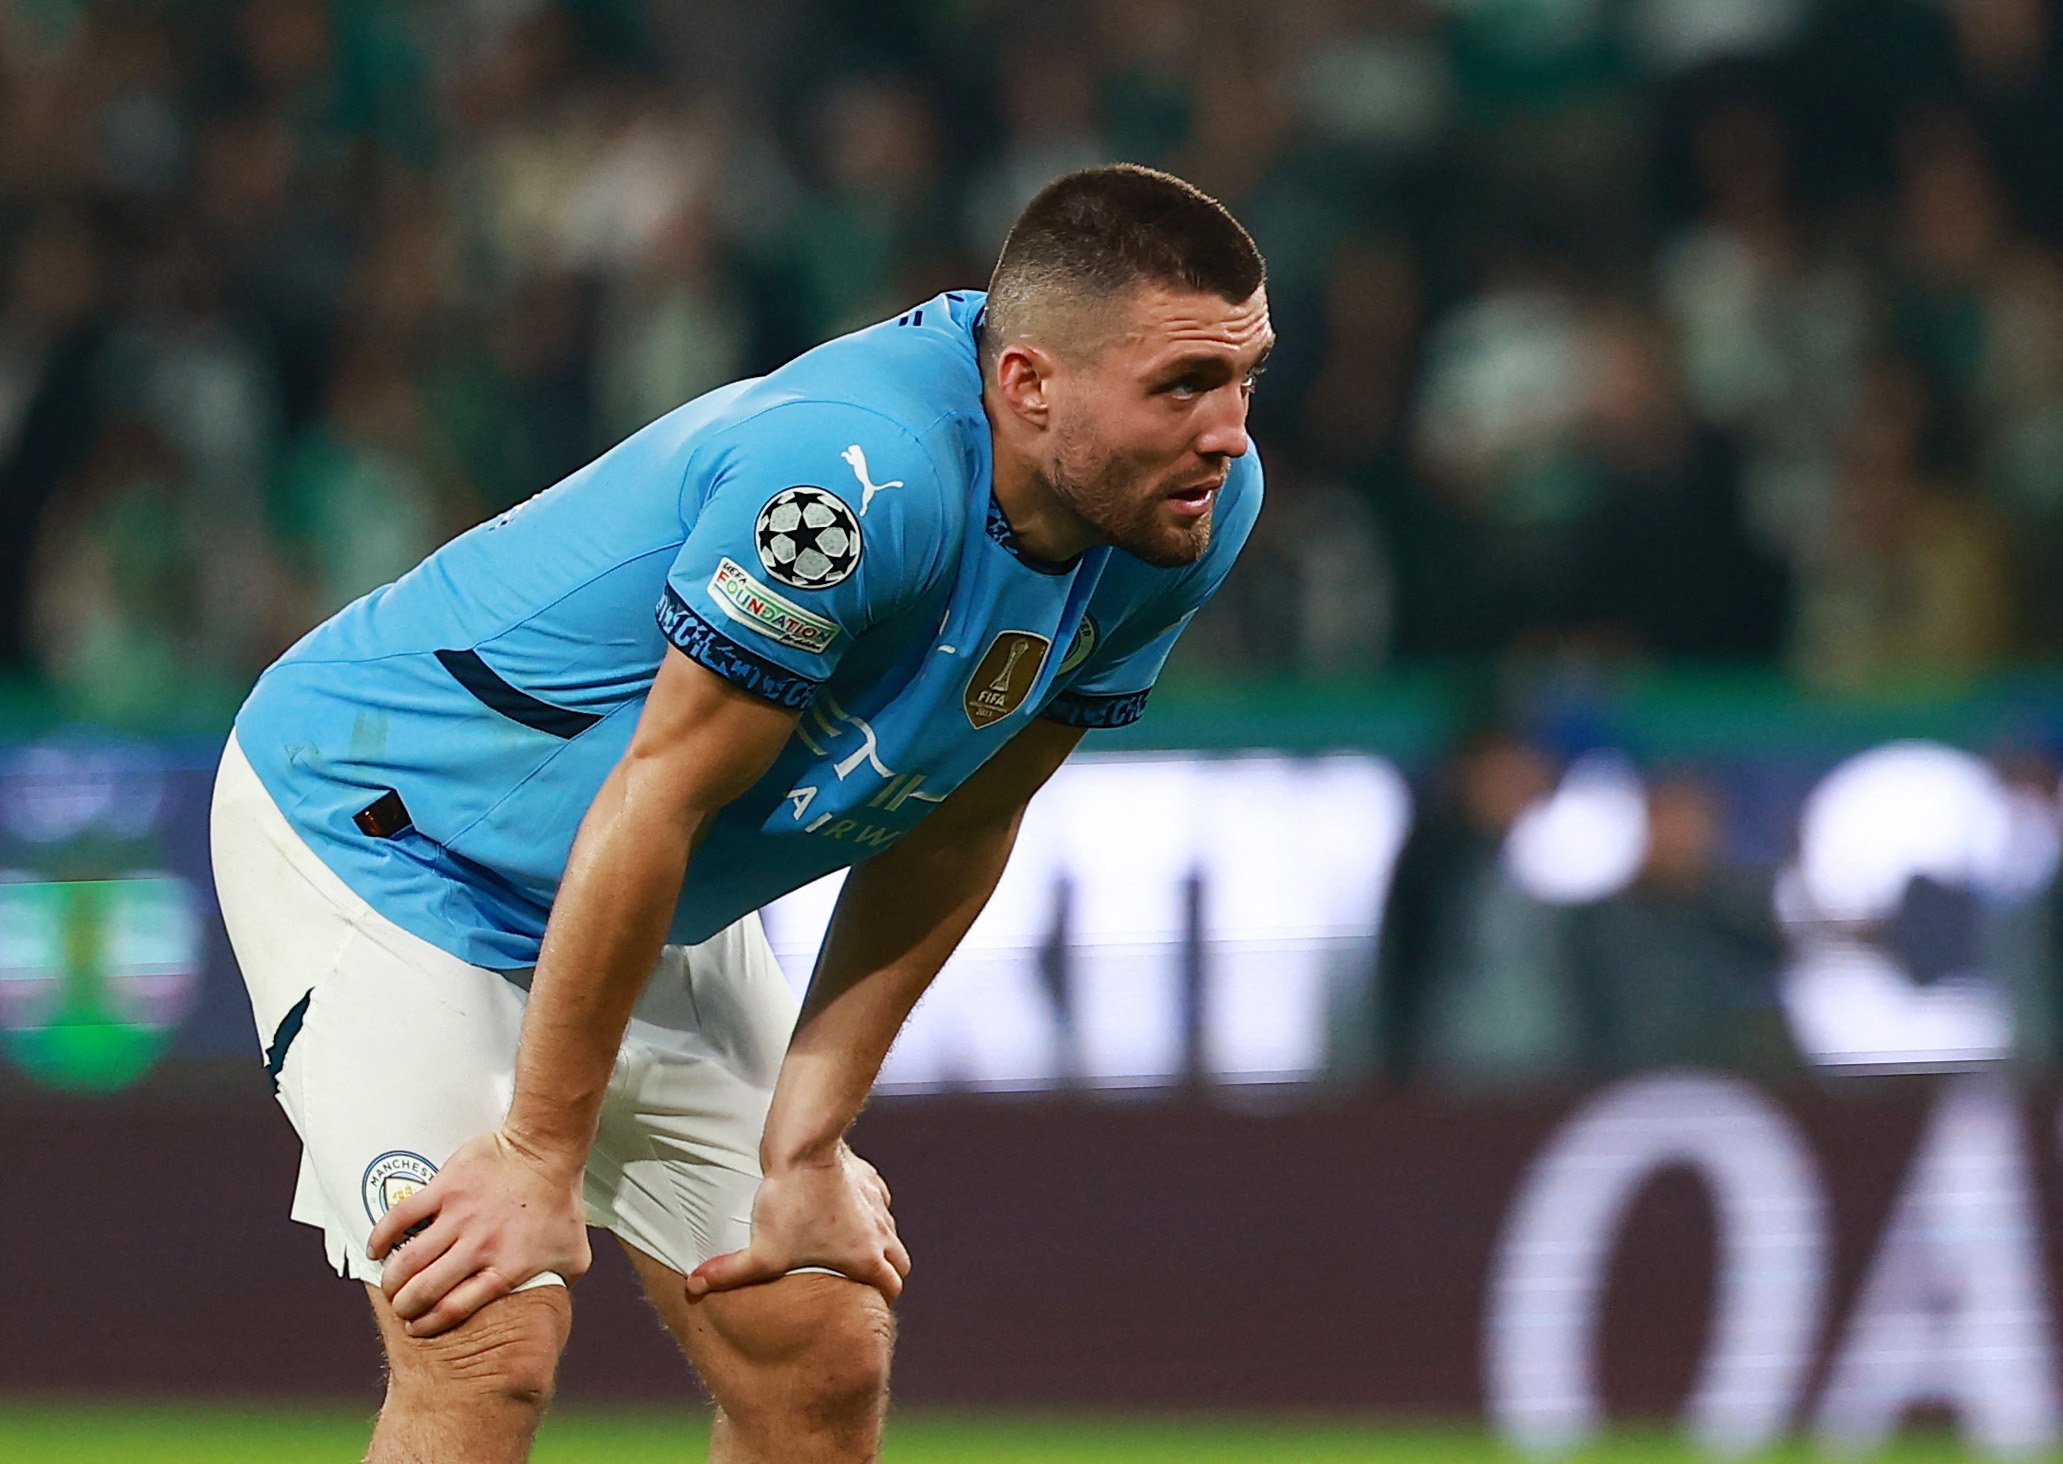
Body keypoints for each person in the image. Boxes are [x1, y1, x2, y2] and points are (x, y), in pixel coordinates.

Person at [210, 163, 1270, 1463]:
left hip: (641, 878)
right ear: (1028, 383)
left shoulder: (1187, 512)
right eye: (1183, 387)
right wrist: (539, 1156)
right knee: (487, 1340)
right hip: (395, 832)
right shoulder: (842, 483)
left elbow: (956, 822)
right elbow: (655, 791)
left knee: (816, 1350)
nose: (1227, 430)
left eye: (1244, 378)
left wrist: (808, 1146)